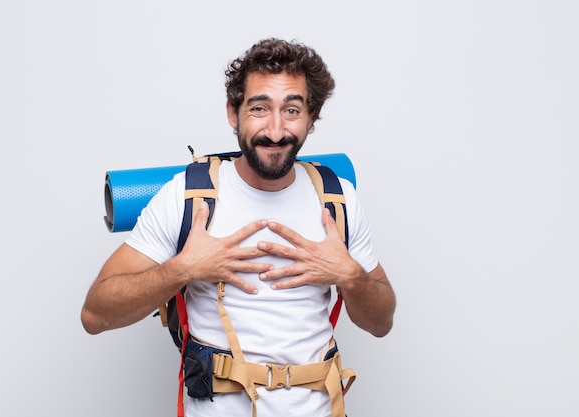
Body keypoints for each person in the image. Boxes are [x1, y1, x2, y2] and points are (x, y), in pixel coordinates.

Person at [81, 38, 396, 417]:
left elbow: (381, 322)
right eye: (259, 108)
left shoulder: (336, 199)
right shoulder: (186, 197)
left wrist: (350, 275)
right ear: (233, 112)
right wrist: (184, 268)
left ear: (311, 118)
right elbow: (94, 315)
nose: (276, 130)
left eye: (292, 110)